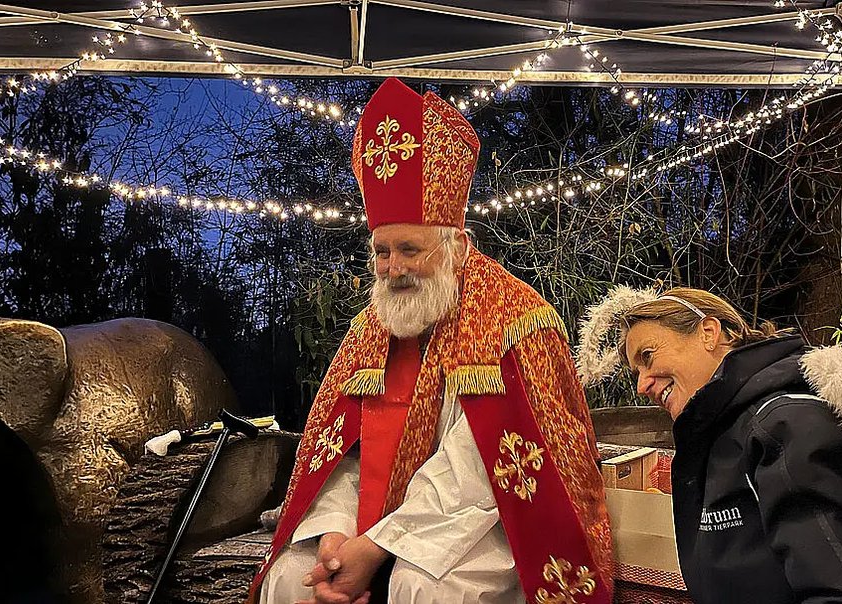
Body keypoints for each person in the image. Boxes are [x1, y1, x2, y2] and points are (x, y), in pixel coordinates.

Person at [248, 78, 613, 604]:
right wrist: (335, 536)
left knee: (420, 586)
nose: (394, 269)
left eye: (410, 249)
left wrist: (378, 546)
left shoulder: (515, 321)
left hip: (487, 518)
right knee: (291, 579)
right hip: (374, 519)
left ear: (456, 245)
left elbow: (484, 467)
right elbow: (340, 453)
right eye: (381, 251)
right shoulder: (369, 330)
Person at [577, 285, 842, 604]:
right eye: (635, 370)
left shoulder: (788, 424)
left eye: (648, 356)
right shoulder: (727, 431)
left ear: (709, 332)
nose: (641, 384)